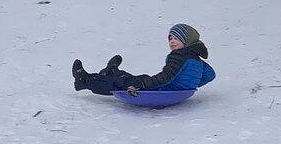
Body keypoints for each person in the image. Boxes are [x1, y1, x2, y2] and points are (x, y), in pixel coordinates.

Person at [72, 23, 215, 96]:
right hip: (172, 91)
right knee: (132, 79)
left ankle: (83, 80)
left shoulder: (179, 55)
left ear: (187, 40)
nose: (172, 41)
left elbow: (165, 78)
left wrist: (143, 85)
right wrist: (187, 87)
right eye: (170, 38)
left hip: (161, 90)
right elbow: (210, 75)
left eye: (176, 38)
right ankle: (113, 71)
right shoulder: (196, 59)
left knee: (119, 84)